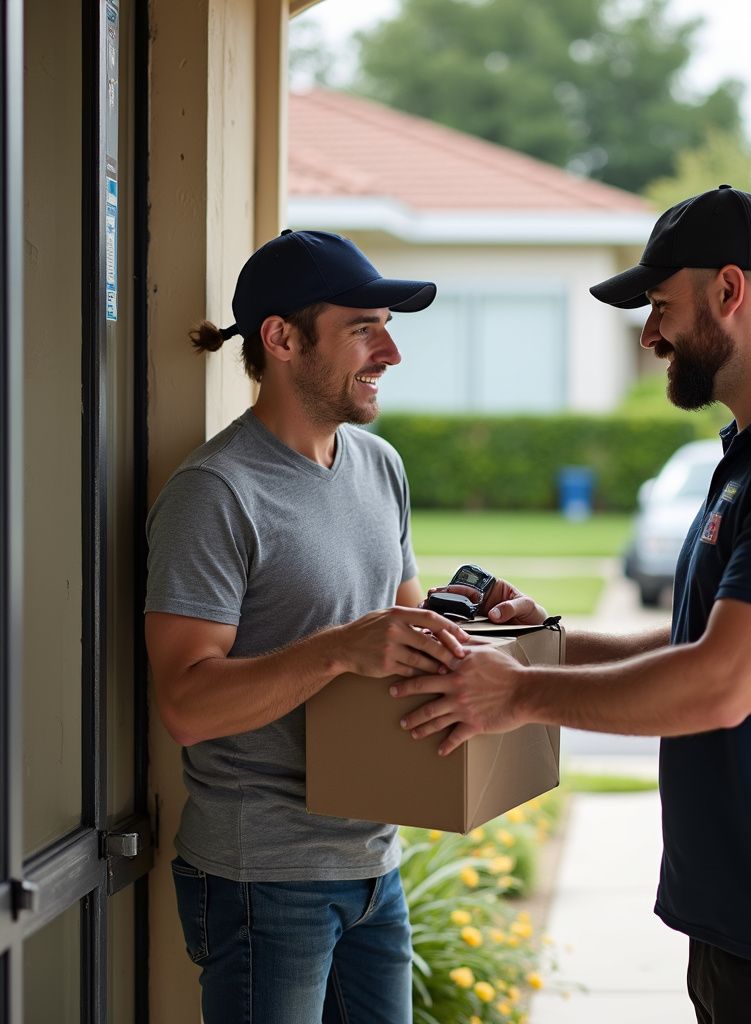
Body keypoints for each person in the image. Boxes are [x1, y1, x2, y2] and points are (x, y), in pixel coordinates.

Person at [392, 186, 751, 1023]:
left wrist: (516, 695)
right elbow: (707, 641)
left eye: (660, 307)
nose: (649, 334)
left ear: (730, 291)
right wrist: (549, 643)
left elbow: (721, 683)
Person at [145, 229, 512, 1024]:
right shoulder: (214, 494)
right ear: (280, 338)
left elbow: (402, 625)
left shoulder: (380, 467)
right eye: (362, 328)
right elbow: (185, 702)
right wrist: (343, 647)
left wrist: (472, 617)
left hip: (374, 864)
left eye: (388, 326)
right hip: (261, 877)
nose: (390, 352)